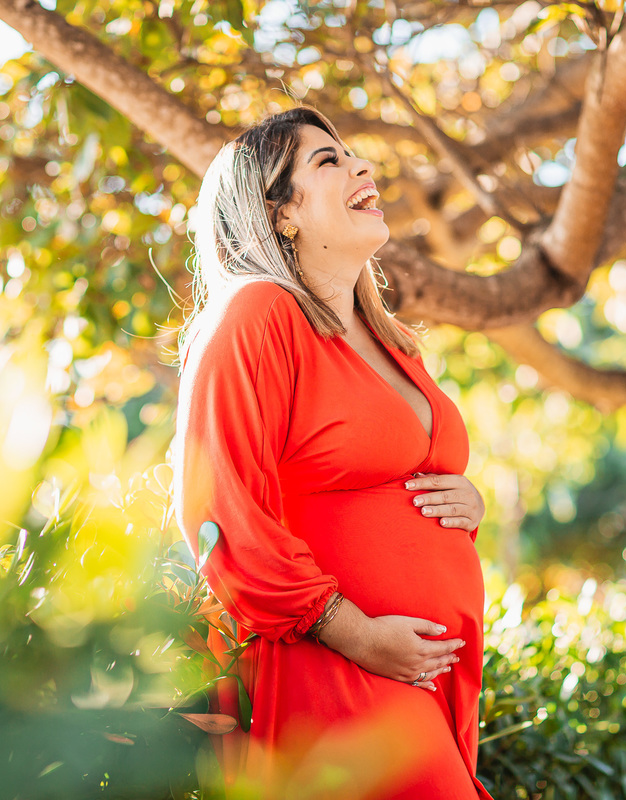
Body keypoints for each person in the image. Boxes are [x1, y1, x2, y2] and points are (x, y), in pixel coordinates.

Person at [170, 106, 494, 800]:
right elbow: (215, 505)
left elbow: (402, 481)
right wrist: (351, 632)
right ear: (280, 212)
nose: (362, 167)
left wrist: (470, 502)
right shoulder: (255, 314)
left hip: (424, 677)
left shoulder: (394, 341)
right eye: (328, 162)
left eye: (351, 155)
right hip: (333, 667)